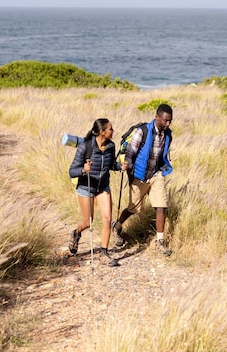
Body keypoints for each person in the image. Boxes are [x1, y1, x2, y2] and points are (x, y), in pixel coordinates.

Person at [111, 104, 174, 257]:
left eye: (170, 121)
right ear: (157, 117)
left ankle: (160, 241)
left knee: (161, 207)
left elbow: (163, 154)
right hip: (139, 175)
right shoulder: (142, 131)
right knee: (133, 208)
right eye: (165, 120)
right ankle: (117, 226)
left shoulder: (167, 134)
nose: (168, 124)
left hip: (156, 175)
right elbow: (130, 153)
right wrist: (131, 175)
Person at [68, 118, 119, 265]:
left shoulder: (111, 146)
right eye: (110, 129)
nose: (113, 131)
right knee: (88, 221)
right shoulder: (85, 147)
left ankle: (104, 252)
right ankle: (76, 233)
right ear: (102, 132)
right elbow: (72, 171)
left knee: (107, 219)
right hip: (86, 186)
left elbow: (111, 165)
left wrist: (119, 166)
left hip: (103, 187)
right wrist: (83, 170)